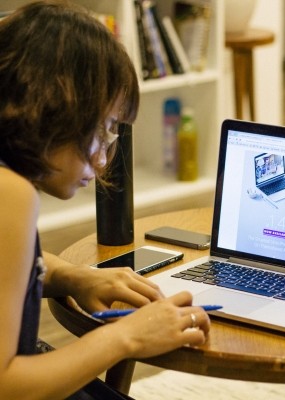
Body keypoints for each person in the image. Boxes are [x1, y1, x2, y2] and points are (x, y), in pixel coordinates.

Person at [0, 1, 210, 399]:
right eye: (104, 130)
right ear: (55, 106)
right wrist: (129, 337)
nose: (101, 159)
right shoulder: (10, 193)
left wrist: (71, 276)